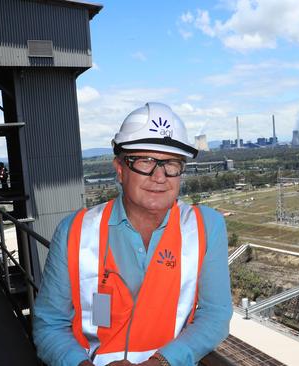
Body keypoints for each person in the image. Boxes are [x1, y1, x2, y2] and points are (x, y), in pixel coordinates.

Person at [34, 102, 232, 366]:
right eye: (145, 161)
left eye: (171, 163)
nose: (159, 176)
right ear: (120, 168)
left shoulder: (206, 226)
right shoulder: (76, 231)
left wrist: (161, 362)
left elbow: (215, 315)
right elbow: (49, 323)